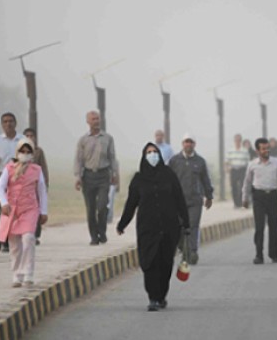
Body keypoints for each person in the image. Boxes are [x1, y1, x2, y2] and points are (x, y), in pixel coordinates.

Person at [117, 142, 190, 311]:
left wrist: (186, 223)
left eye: (155, 152)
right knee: (149, 262)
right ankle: (153, 298)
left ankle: (161, 295)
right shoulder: (138, 179)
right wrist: (122, 224)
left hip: (169, 227)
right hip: (147, 228)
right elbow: (131, 204)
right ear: (144, 156)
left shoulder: (169, 175)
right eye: (149, 152)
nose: (152, 155)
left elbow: (179, 200)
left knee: (165, 263)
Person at [0, 138, 48, 287]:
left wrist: (43, 211)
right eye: (22, 151)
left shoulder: (36, 170)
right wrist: (4, 203)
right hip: (13, 210)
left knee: (28, 239)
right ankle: (16, 273)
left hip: (30, 209)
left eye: (28, 152)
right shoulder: (9, 168)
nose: (25, 154)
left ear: (32, 154)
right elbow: (0, 187)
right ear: (17, 152)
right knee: (14, 245)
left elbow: (42, 191)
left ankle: (28, 273)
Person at [74, 111, 119, 246]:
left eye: (98, 119)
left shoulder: (108, 138)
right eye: (93, 119)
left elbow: (112, 157)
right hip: (88, 176)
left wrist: (115, 174)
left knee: (102, 205)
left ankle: (102, 231)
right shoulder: (83, 140)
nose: (96, 121)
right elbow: (78, 160)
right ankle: (94, 236)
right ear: (88, 121)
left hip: (103, 175)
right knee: (91, 208)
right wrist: (77, 177)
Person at [168, 134, 214, 265]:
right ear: (183, 144)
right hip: (177, 202)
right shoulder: (174, 161)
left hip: (195, 200)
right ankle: (184, 249)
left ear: (194, 144)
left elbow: (205, 180)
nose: (188, 144)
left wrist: (209, 196)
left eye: (191, 142)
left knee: (192, 226)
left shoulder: (200, 161)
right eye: (186, 142)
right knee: (179, 228)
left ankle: (192, 252)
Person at [242, 138, 277, 264]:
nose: (266, 150)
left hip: (273, 195)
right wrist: (245, 198)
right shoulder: (252, 165)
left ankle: (274, 254)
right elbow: (247, 182)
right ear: (258, 150)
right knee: (259, 227)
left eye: (267, 148)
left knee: (274, 226)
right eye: (263, 149)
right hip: (258, 196)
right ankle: (259, 254)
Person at [0, 112, 24, 252]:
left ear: (15, 123)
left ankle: (13, 236)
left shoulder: (22, 140)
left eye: (11, 121)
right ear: (1, 124)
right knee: (4, 208)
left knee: (16, 209)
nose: (8, 124)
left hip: (19, 178)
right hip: (2, 178)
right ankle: (4, 240)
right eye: (5, 121)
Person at [23, 128, 49, 245]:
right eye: (27, 135)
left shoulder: (38, 152)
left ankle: (35, 234)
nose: (29, 137)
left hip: (36, 184)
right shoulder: (20, 151)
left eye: (31, 135)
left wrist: (45, 185)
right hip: (24, 185)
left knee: (37, 210)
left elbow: (43, 168)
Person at [225, 133, 250, 208]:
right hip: (233, 170)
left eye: (239, 140)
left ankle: (241, 201)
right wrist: (227, 168)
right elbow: (226, 161)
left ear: (241, 141)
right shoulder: (230, 150)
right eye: (236, 140)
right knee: (234, 186)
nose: (237, 142)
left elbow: (248, 162)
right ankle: (236, 203)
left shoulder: (245, 151)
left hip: (242, 169)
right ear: (234, 141)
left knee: (243, 186)